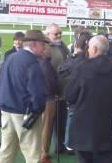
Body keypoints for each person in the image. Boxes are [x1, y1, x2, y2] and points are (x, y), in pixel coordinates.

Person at [65, 35, 112, 163]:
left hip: (82, 128)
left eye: (88, 48)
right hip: (105, 127)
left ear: (93, 49)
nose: (87, 50)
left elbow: (69, 96)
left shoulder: (81, 68)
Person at [0, 30, 48, 163]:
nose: (45, 48)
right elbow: (38, 93)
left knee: (6, 151)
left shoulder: (10, 58)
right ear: (34, 45)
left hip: (6, 110)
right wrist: (36, 111)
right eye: (43, 44)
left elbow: (0, 82)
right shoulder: (32, 63)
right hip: (24, 112)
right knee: (32, 154)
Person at [58, 30, 91, 154]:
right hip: (78, 94)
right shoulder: (84, 61)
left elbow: (61, 70)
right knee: (73, 118)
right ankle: (70, 144)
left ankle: (69, 143)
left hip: (70, 93)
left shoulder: (72, 59)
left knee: (71, 118)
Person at [46, 23, 70, 154]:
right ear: (48, 34)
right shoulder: (46, 47)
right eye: (56, 34)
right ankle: (44, 150)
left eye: (60, 33)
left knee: (62, 120)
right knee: (48, 123)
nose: (59, 35)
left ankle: (60, 146)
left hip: (63, 90)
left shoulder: (63, 45)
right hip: (50, 92)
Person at [39, 44, 60, 163]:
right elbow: (51, 84)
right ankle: (43, 153)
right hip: (48, 99)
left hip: (47, 98)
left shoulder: (44, 63)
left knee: (46, 128)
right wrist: (57, 91)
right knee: (46, 128)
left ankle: (43, 151)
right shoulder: (46, 65)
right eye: (48, 49)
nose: (51, 52)